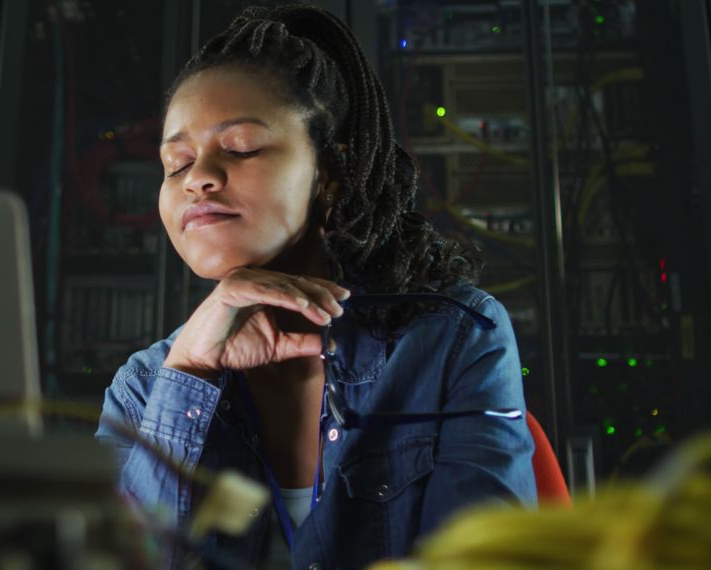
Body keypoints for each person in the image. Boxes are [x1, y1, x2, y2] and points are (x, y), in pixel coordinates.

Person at [96, 5, 535, 568]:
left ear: (329, 175)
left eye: (241, 147)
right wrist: (189, 375)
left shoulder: (454, 339)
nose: (198, 177)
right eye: (176, 162)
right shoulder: (144, 389)